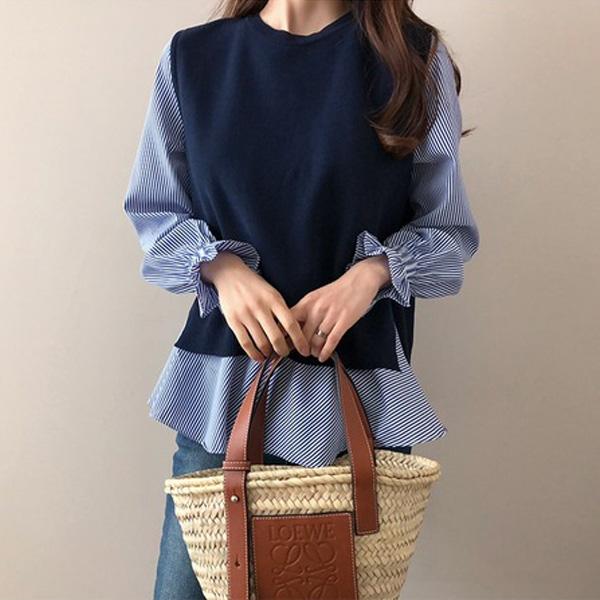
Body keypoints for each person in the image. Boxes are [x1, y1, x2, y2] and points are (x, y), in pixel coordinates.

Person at [123, 0, 480, 597]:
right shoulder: (194, 59)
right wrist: (223, 270)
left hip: (353, 408)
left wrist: (370, 275)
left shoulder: (412, 59)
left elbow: (448, 231)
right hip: (222, 404)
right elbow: (154, 211)